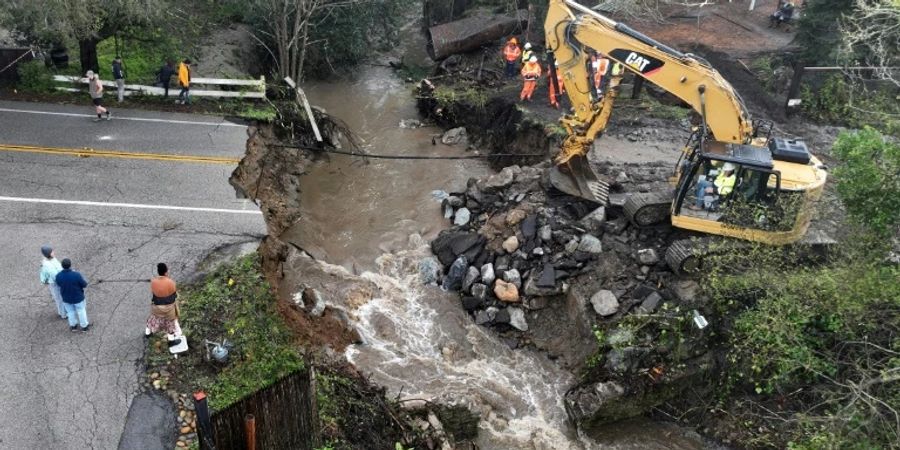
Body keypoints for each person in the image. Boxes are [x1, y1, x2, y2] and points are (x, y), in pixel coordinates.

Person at [146, 263, 182, 346]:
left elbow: (154, 292)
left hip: (157, 309)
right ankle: (171, 341)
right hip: (169, 310)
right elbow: (174, 295)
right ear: (166, 272)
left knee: (152, 319)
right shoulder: (171, 282)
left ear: (158, 272)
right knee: (170, 324)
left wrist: (154, 281)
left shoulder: (153, 282)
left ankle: (147, 333)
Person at [55, 258, 90, 332]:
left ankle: (73, 326)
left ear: (62, 266)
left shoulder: (58, 276)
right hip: (78, 297)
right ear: (70, 265)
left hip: (66, 298)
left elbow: (58, 284)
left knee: (70, 312)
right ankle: (84, 326)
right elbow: (84, 284)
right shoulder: (76, 275)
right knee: (81, 311)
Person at [38, 246, 66, 320]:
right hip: (55, 282)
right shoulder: (47, 264)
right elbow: (55, 275)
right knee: (59, 298)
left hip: (58, 280)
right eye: (52, 251)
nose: (54, 252)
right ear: (48, 254)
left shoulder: (52, 259)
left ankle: (63, 311)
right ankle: (63, 314)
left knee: (60, 297)